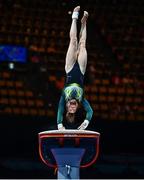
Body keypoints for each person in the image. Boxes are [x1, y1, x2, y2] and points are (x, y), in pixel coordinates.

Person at [57, 6, 93, 130]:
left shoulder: (64, 97)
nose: (72, 107)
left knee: (73, 41)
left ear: (67, 107)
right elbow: (90, 111)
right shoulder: (81, 99)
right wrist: (85, 123)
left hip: (70, 68)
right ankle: (84, 22)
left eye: (70, 109)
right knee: (82, 44)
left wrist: (60, 125)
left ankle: (74, 17)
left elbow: (59, 112)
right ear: (77, 107)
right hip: (81, 70)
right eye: (74, 110)